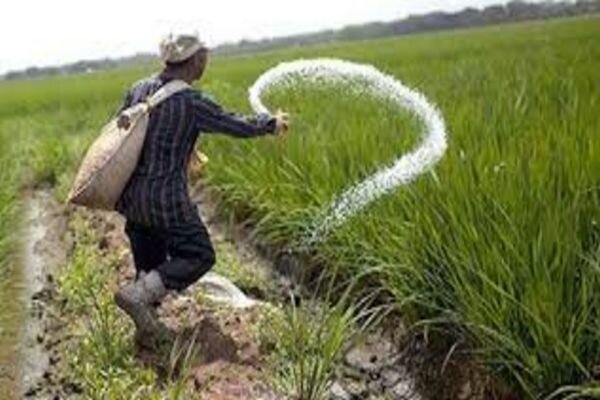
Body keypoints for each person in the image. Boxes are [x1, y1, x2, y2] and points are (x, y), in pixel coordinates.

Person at [113, 33, 289, 342]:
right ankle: (138, 296)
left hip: (132, 199)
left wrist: (183, 146)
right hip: (166, 200)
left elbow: (125, 135)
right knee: (199, 254)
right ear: (194, 59)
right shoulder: (190, 101)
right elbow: (234, 124)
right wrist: (270, 124)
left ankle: (147, 330)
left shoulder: (139, 89)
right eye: (204, 54)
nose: (206, 59)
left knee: (150, 262)